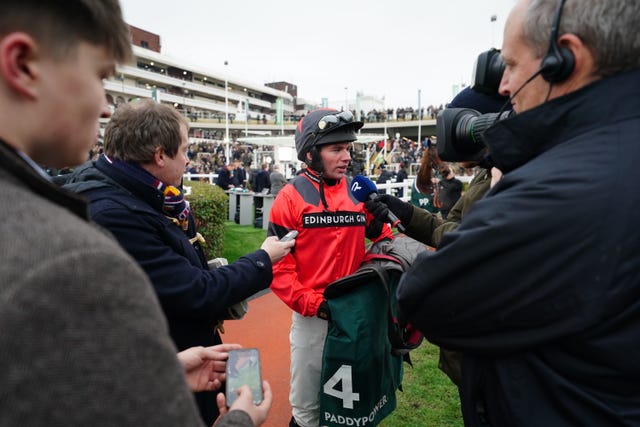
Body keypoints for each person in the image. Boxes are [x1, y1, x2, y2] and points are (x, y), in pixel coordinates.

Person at [0, 1, 270, 426]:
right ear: (23, 64)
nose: (106, 107)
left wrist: (162, 371)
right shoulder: (69, 249)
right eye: (99, 76)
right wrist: (238, 422)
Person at [397, 0, 640, 426]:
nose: (505, 87)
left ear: (566, 58)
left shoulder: (567, 183)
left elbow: (427, 296)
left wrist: (502, 189)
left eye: (511, 65)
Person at [63, 99, 294, 425]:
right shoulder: (115, 213)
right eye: (184, 150)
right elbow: (194, 292)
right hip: (156, 379)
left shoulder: (131, 190)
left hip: (170, 363)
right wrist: (263, 259)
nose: (188, 160)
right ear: (159, 155)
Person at [267, 109, 394, 427]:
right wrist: (317, 305)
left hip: (356, 316)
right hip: (313, 319)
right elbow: (279, 268)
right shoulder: (289, 198)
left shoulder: (358, 193)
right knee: (308, 409)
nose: (346, 156)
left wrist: (368, 285)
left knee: (354, 406)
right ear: (310, 153)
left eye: (348, 148)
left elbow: (384, 243)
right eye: (336, 149)